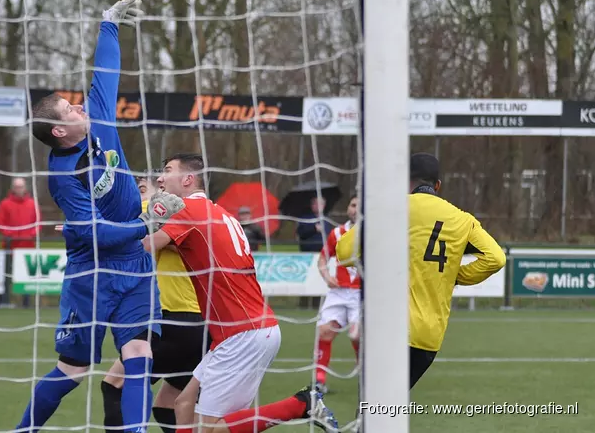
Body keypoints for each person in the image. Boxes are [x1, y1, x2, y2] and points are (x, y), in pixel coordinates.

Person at [15, 0, 185, 433]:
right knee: (73, 371)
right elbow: (100, 237)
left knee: (139, 358)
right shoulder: (62, 177)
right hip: (91, 274)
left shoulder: (100, 120)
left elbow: (105, 74)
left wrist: (109, 24)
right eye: (70, 110)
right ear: (59, 131)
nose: (81, 107)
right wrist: (148, 222)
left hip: (135, 268)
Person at [143, 153, 339, 433]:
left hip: (243, 334)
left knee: (212, 429)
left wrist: (96, 237)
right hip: (237, 332)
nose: (160, 178)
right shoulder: (218, 212)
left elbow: (144, 247)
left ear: (188, 179)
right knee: (182, 404)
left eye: (167, 171)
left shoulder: (190, 212)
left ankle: (300, 404)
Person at [335, 153, 506, 389]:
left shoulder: (391, 209)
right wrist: (455, 276)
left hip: (389, 328)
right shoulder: (462, 219)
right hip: (428, 336)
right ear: (437, 186)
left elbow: (344, 253)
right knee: (390, 406)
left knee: (373, 408)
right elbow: (496, 258)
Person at [101, 175, 208, 433]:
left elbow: (136, 217)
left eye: (141, 189)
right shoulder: (187, 219)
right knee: (167, 406)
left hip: (173, 321)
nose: (137, 197)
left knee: (114, 385)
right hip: (199, 327)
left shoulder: (165, 212)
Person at [313, 194, 360, 394]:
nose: (355, 209)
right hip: (339, 292)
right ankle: (319, 380)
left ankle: (366, 376)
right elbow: (322, 260)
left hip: (362, 294)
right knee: (324, 331)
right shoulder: (337, 233)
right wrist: (326, 277)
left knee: (357, 335)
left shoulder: (376, 233)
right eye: (352, 204)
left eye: (359, 205)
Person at [0, 177, 41, 308]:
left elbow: (38, 224)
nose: (19, 189)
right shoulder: (5, 204)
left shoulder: (32, 204)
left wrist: (30, 234)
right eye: (16, 186)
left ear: (25, 188)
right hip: (10, 246)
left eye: (21, 186)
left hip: (27, 247)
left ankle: (26, 303)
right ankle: (5, 301)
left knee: (27, 276)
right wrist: (10, 234)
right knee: (7, 276)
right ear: (12, 188)